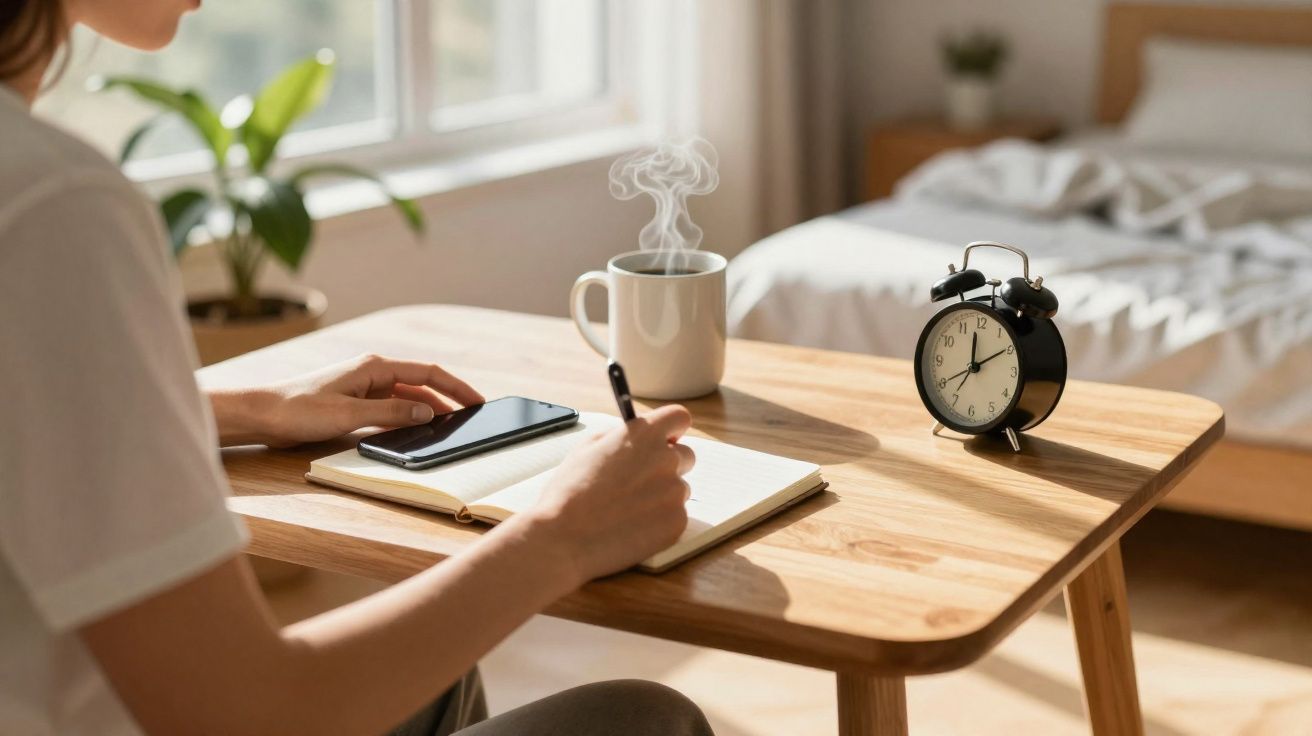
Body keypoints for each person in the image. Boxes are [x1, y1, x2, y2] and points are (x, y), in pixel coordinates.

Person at [0, 1, 715, 734]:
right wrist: (561, 535)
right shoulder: (53, 205)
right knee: (647, 716)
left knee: (433, 672)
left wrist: (244, 407)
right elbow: (248, 715)